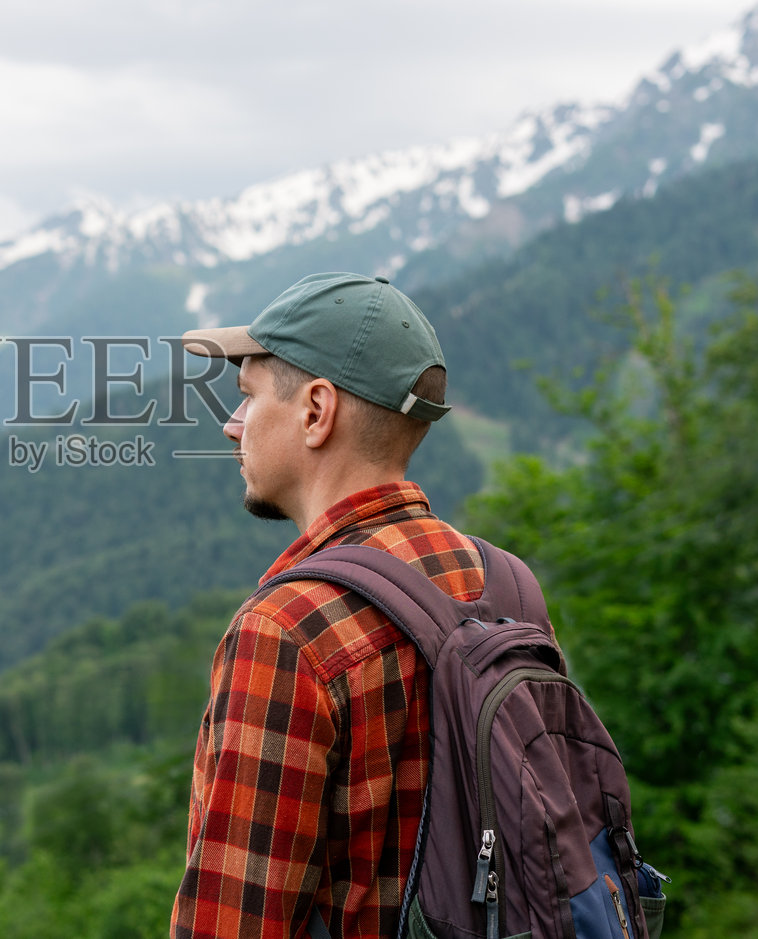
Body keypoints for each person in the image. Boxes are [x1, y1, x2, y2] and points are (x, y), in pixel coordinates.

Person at [172, 272, 523, 939]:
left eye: (248, 397)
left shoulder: (288, 631)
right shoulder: (502, 584)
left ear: (315, 411)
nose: (231, 424)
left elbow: (232, 924)